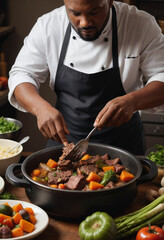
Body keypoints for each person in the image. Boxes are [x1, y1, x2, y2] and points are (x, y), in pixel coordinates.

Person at [8, 0, 164, 155]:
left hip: (124, 143)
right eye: (74, 13)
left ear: (109, 2)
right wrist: (39, 108)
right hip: (65, 143)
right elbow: (22, 74)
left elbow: (161, 75)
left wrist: (133, 101)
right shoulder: (48, 26)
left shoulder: (140, 24)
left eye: (94, 12)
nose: (84, 23)